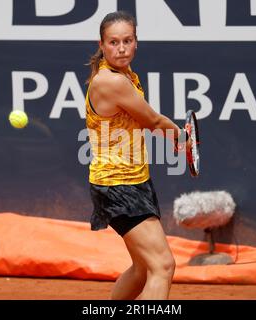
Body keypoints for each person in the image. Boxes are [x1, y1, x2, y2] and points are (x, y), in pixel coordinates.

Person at [85, 11, 188, 300]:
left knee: (142, 269)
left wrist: (176, 136)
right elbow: (154, 122)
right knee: (163, 266)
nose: (121, 48)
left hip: (133, 181)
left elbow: (148, 123)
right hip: (118, 186)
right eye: (114, 42)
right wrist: (181, 135)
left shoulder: (126, 75)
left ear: (136, 42)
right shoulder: (111, 82)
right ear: (102, 45)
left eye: (127, 41)